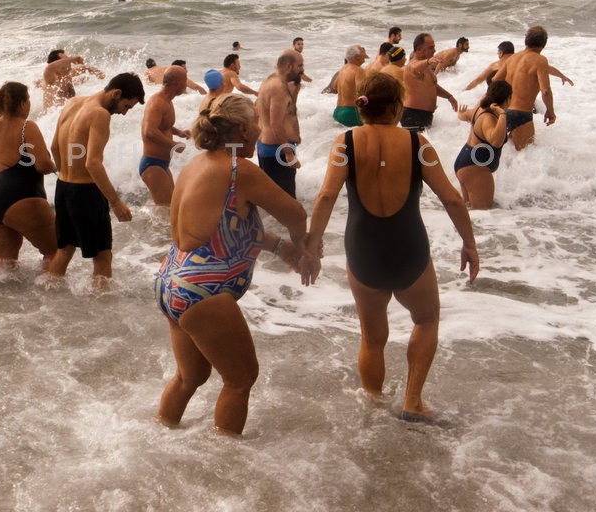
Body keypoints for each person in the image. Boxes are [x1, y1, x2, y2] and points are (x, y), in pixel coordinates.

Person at [305, 73, 479, 420]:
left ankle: (372, 404)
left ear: (362, 107)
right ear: (399, 106)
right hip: (408, 249)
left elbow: (326, 195)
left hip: (364, 251)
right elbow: (452, 200)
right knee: (427, 320)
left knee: (372, 337)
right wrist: (469, 243)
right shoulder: (418, 145)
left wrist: (312, 246)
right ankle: (412, 401)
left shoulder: (345, 143)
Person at [155, 93, 312, 434]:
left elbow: (223, 232)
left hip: (173, 282)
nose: (259, 129)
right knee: (241, 380)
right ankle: (226, 465)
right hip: (202, 292)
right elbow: (295, 213)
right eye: (255, 123)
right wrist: (305, 246)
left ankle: (161, 436)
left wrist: (279, 247)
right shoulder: (239, 169)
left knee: (189, 377)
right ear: (242, 129)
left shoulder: (196, 164)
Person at [46, 73, 145, 288]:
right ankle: (103, 310)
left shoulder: (73, 102)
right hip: (86, 193)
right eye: (126, 106)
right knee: (102, 256)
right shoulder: (100, 114)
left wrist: (67, 178)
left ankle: (50, 295)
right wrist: (116, 203)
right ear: (116, 93)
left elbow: (54, 147)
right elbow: (93, 163)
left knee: (64, 250)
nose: (124, 113)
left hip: (63, 188)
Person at [0, 82, 57, 268]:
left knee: (3, 263)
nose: (29, 104)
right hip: (17, 195)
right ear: (21, 103)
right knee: (55, 252)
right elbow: (42, 165)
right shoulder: (27, 127)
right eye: (28, 100)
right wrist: (56, 166)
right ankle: (54, 295)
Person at [493, 25, 556, 150]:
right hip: (521, 114)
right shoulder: (540, 60)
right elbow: (546, 91)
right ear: (543, 45)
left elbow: (495, 80)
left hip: (503, 111)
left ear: (526, 41)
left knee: (507, 154)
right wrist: (550, 111)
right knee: (525, 155)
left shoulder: (512, 58)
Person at [454, 80, 513, 209]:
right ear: (508, 98)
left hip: (466, 163)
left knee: (472, 214)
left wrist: (460, 113)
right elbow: (496, 142)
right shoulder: (489, 117)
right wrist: (503, 114)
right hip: (475, 167)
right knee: (482, 215)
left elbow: (464, 115)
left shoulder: (479, 108)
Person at [256, 50, 304, 197]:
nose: (302, 70)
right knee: (287, 200)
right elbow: (275, 124)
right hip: (278, 151)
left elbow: (256, 110)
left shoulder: (270, 81)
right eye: (300, 66)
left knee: (272, 197)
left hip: (269, 147)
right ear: (288, 66)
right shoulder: (278, 88)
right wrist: (288, 154)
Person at [140, 66, 191, 206]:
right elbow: (149, 131)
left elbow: (163, 126)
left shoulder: (167, 101)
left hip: (162, 164)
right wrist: (174, 145)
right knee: (167, 213)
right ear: (177, 83)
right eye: (185, 80)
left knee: (170, 210)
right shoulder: (157, 102)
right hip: (152, 164)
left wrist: (179, 132)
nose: (187, 84)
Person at [400, 33, 457, 131]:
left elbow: (431, 86)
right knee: (418, 146)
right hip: (412, 115)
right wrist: (428, 61)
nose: (434, 50)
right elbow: (414, 68)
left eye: (434, 47)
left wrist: (449, 96)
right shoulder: (413, 64)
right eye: (431, 47)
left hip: (425, 115)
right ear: (419, 49)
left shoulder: (425, 67)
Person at [333, 44, 368, 127]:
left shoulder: (343, 69)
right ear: (357, 56)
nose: (365, 55)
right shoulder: (359, 70)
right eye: (363, 52)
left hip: (338, 111)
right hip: (352, 112)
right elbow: (362, 91)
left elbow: (335, 87)